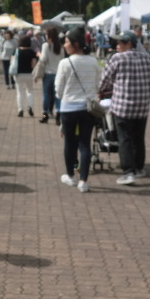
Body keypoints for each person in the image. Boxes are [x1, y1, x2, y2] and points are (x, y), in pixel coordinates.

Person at [99, 30, 150, 186]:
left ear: (129, 43)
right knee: (138, 138)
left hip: (123, 106)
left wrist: (102, 90)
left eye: (120, 42)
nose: (117, 45)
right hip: (142, 105)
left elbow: (105, 80)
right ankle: (139, 168)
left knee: (125, 139)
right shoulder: (147, 58)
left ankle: (128, 171)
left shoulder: (118, 58)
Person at [55, 28, 101, 193]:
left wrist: (63, 96)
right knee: (84, 144)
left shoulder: (65, 63)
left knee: (70, 143)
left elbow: (58, 89)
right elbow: (97, 84)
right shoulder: (93, 61)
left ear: (75, 44)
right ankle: (83, 181)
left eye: (67, 42)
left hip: (69, 107)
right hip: (88, 108)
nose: (64, 45)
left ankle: (71, 176)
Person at [37, 28, 63, 125]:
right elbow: (62, 60)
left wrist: (39, 54)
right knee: (57, 95)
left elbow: (43, 59)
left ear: (49, 36)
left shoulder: (46, 45)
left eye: (46, 34)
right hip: (58, 74)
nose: (45, 36)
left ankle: (45, 115)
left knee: (46, 95)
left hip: (48, 73)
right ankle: (58, 115)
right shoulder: (60, 46)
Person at [13, 35, 37, 117]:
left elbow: (12, 62)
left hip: (18, 74)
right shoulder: (32, 52)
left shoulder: (16, 51)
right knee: (30, 91)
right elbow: (33, 65)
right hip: (29, 74)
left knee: (19, 92)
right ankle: (30, 107)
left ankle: (20, 109)